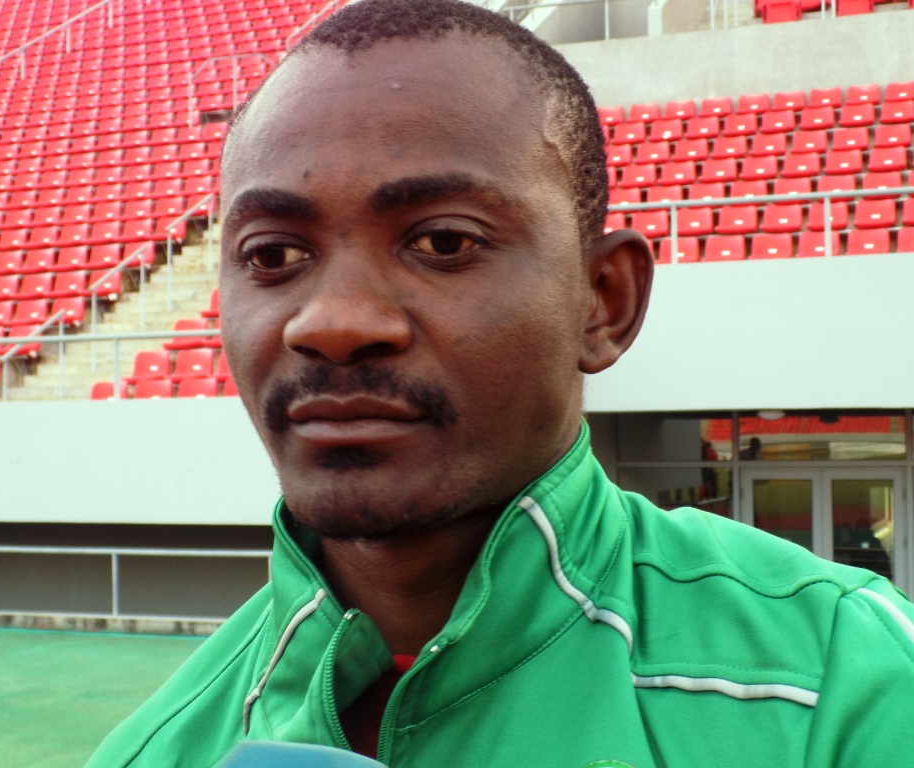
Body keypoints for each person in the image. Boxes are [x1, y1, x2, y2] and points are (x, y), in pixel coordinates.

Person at [87, 2, 914, 766]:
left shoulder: (846, 684)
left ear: (604, 302)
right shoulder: (155, 752)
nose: (331, 322)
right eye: (273, 255)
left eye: (443, 242)